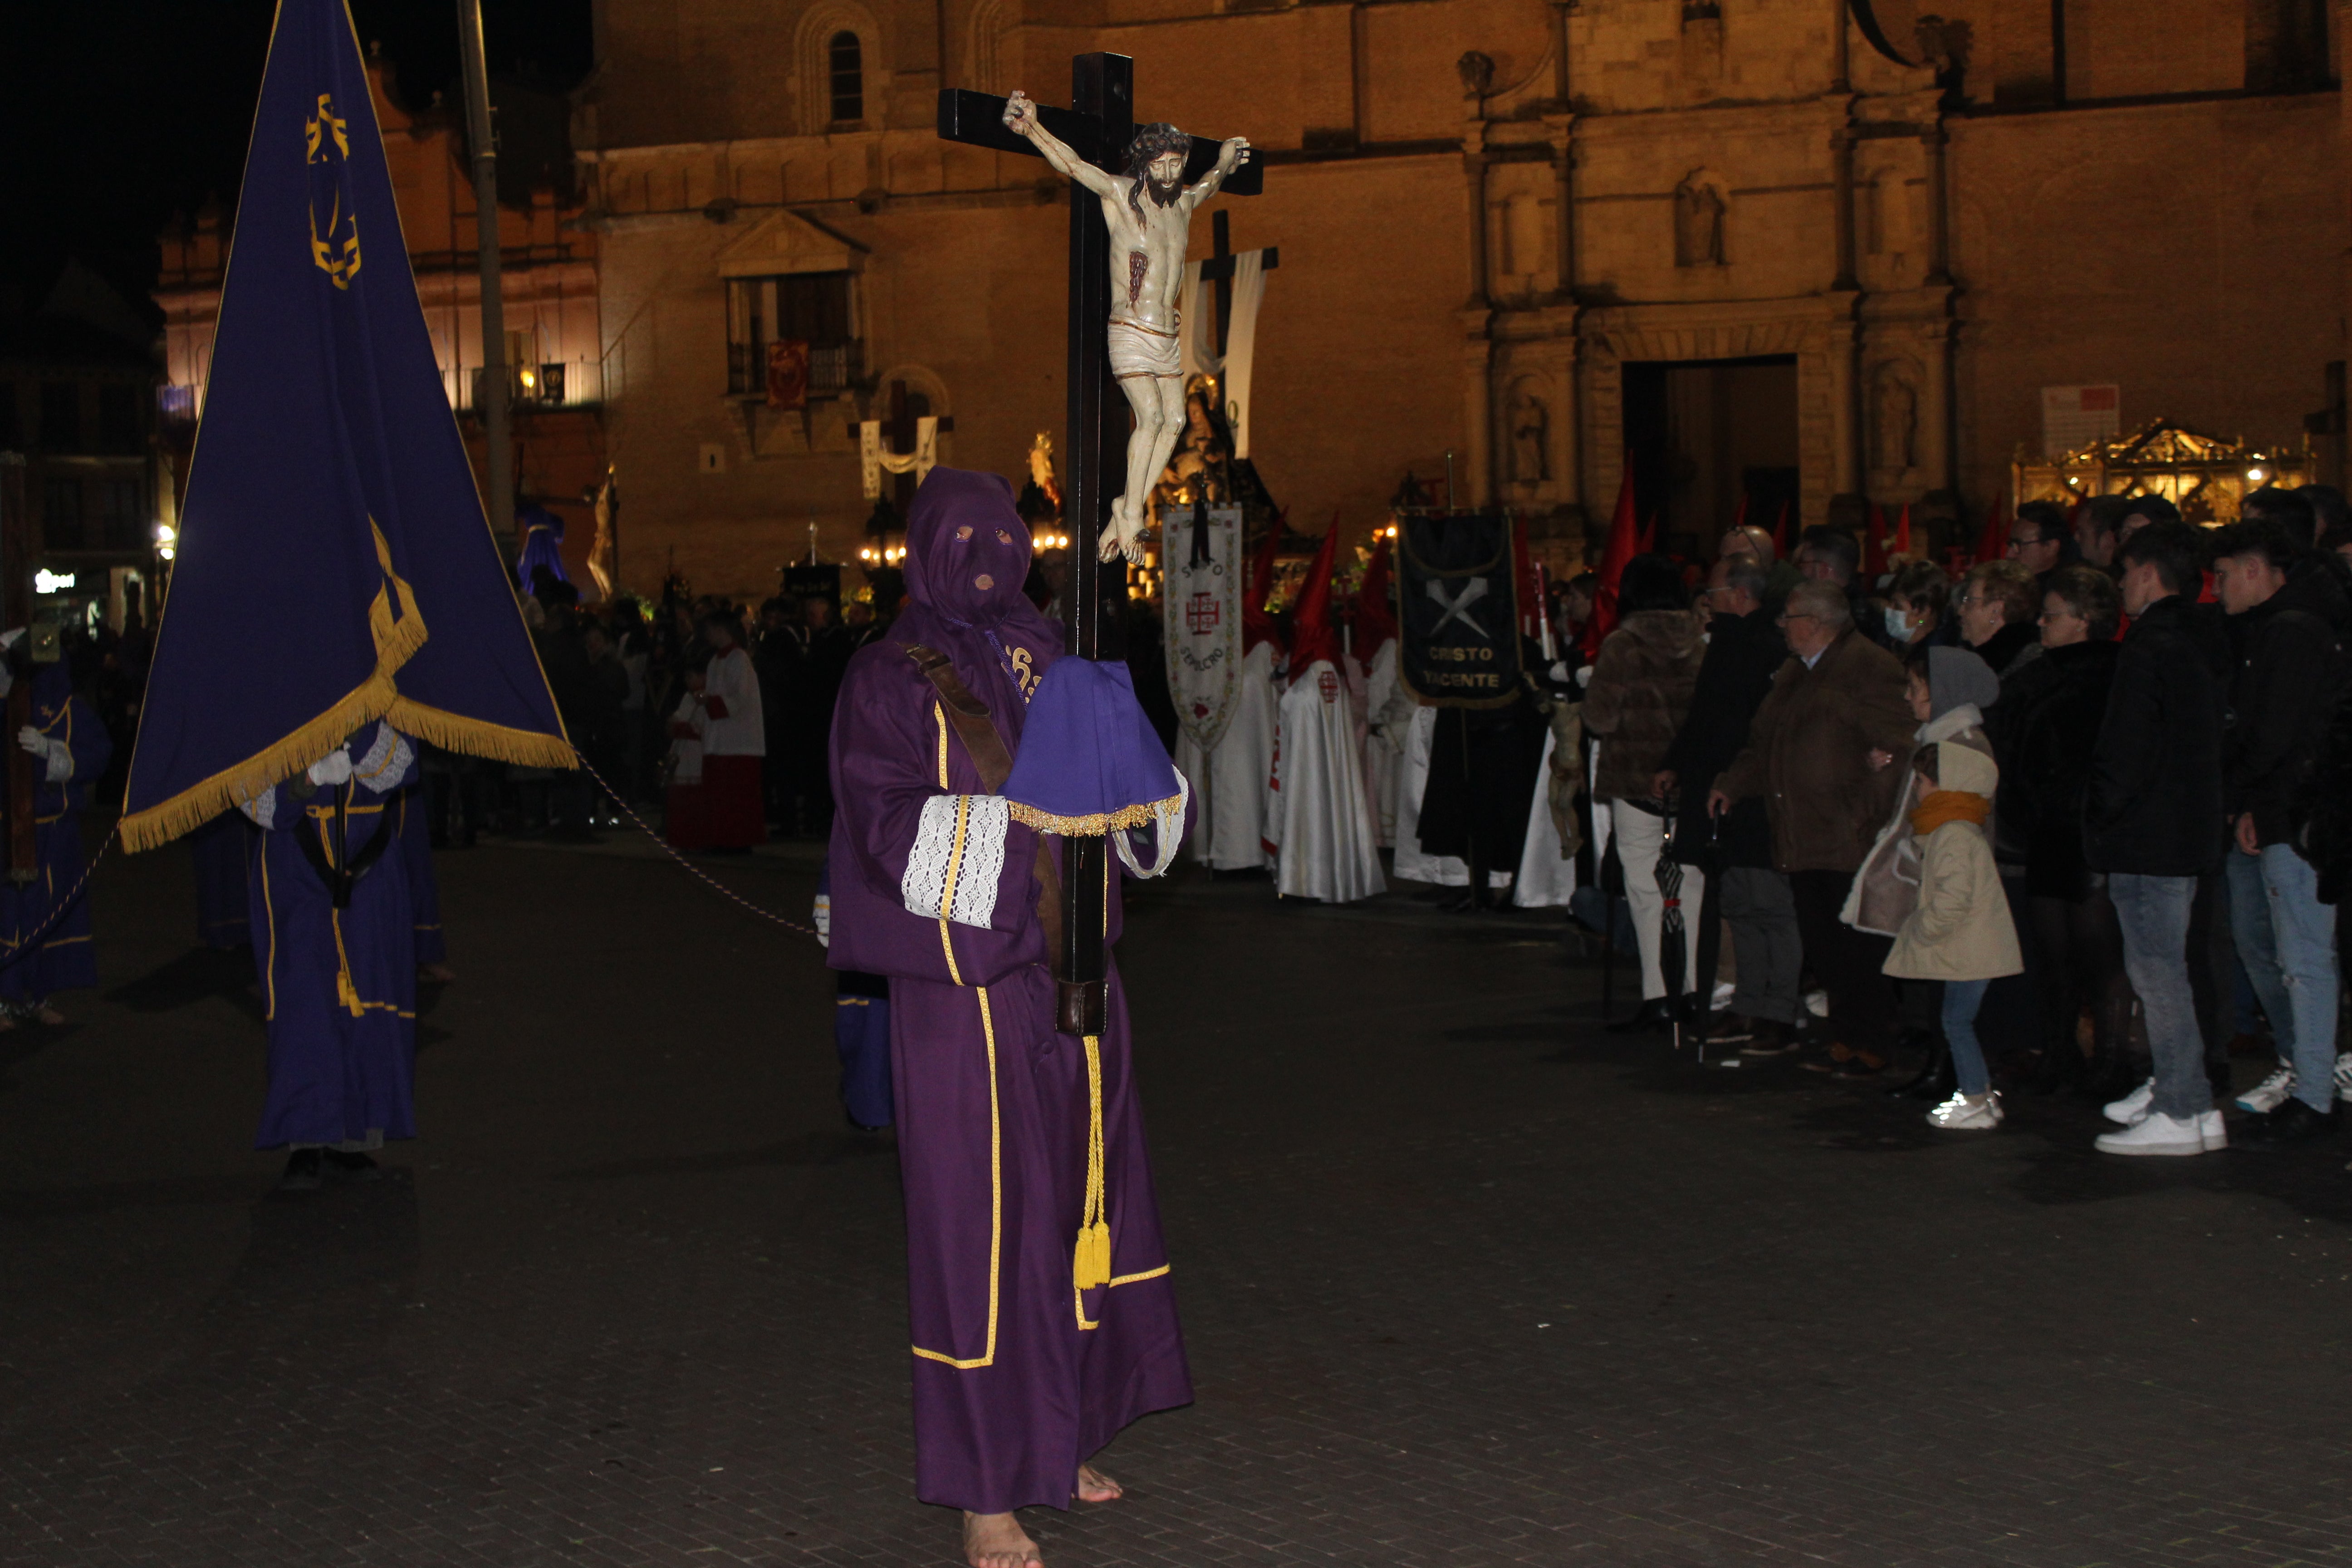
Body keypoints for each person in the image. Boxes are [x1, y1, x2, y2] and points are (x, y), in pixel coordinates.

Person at [827, 467, 1189, 1568]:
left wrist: (1120, 763)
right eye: (962, 537)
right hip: (966, 995)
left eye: (1004, 534)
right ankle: (988, 1487)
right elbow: (886, 822)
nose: (987, 554)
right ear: (926, 547)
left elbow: (1143, 802)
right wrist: (1030, 827)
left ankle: (1060, 1435)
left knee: (1081, 1208)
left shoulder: (1060, 655)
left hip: (1076, 983)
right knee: (978, 1235)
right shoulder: (887, 678)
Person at [1710, 581, 1917, 1074]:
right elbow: (1766, 745)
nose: (1783, 626)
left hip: (1847, 833)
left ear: (1819, 623)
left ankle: (1872, 1043)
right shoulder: (1794, 673)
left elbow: (1898, 746)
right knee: (1826, 946)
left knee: (1857, 949)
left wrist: (1868, 811)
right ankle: (1846, 1038)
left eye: (1791, 618)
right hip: (1804, 833)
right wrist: (1733, 785)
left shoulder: (1867, 668)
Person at [2089, 521, 2232, 1156]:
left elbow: (2126, 747)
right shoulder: (2204, 637)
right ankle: (2190, 1096)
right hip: (2186, 828)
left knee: (2157, 971)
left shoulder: (2151, 645)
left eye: (2125, 574)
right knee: (2166, 967)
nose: (2121, 586)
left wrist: (2100, 813)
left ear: (2148, 574)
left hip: (2150, 833)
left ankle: (2180, 1105)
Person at [2210, 518, 2348, 1145]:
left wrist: (2253, 802)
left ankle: (2315, 1092)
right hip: (2296, 817)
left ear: (2255, 569)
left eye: (2224, 574)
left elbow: (2274, 737)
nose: (2218, 588)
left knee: (2305, 960)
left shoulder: (2289, 633)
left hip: (2299, 822)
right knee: (2301, 959)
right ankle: (2312, 1084)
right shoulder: (2295, 626)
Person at [241, 721, 420, 1189]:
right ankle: (306, 1138)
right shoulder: (268, 704)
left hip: (370, 869)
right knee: (305, 1006)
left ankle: (355, 1138)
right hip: (295, 873)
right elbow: (254, 800)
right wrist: (310, 779)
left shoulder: (381, 697)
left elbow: (401, 769)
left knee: (369, 1003)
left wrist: (355, 729)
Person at [1993, 567, 2129, 1093]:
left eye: (2054, 616)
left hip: (2090, 830)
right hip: (2047, 828)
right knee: (2052, 953)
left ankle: (2112, 1060)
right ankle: (2060, 1051)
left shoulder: (2115, 674)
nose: (2043, 625)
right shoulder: (2037, 676)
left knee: (2099, 954)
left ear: (2086, 620)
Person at [1656, 554, 1797, 1052]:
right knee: (1737, 906)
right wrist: (1676, 763)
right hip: (1716, 796)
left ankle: (1778, 1010)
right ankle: (1748, 1005)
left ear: (1740, 595)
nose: (1708, 602)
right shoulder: (1725, 646)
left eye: (1714, 593)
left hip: (1752, 799)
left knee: (1769, 907)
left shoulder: (1767, 648)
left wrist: (1734, 781)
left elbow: (1759, 734)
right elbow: (1704, 715)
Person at [1844, 644, 1998, 1096]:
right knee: (1938, 985)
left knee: (1951, 993)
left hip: (1950, 882)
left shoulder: (1960, 745)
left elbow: (1949, 819)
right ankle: (1944, 1068)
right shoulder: (1937, 739)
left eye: (1916, 688)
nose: (1908, 698)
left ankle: (1958, 1081)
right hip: (1935, 874)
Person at [1583, 554, 1707, 1028]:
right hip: (1690, 782)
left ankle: (1659, 994)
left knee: (1644, 889)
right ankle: (1696, 990)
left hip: (1636, 781)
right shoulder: (1701, 644)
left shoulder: (1622, 645)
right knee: (1692, 887)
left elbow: (1600, 718)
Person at [1885, 740, 2024, 1129]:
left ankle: (1975, 1100)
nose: (1916, 788)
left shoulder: (1954, 834)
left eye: (1923, 780)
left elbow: (1952, 899)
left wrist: (1922, 929)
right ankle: (1980, 1095)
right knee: (1958, 1022)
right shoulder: (1956, 829)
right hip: (1970, 948)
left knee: (1956, 1023)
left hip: (1968, 950)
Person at [0, 641, 113, 1026]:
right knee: (12, 913)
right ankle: (4, 998)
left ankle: (39, 997)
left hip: (58, 830)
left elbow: (98, 754)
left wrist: (53, 751)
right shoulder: (9, 704)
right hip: (13, 831)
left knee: (50, 913)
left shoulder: (71, 710)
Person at [667, 611, 767, 853]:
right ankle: (721, 839)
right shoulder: (715, 661)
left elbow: (740, 699)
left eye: (710, 630)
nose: (708, 635)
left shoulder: (739, 660)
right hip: (719, 737)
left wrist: (710, 701)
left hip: (738, 739)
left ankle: (739, 842)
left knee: (736, 796)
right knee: (721, 795)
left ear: (721, 630)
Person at [1794, 524, 1882, 646]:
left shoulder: (1843, 625)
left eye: (1803, 563)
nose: (1799, 571)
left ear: (1822, 571)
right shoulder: (1863, 614)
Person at [1955, 559, 2042, 677]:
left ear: (1996, 611)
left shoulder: (2025, 668)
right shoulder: (1966, 658)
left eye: (1970, 601)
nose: (1961, 611)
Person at [2004, 500, 2077, 592]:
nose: (2009, 554)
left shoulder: (2063, 594)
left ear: (2051, 548)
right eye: (2010, 545)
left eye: (2018, 545)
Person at [1884, 559, 1955, 649]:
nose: (1889, 608)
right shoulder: (1884, 639)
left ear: (1924, 612)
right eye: (1890, 602)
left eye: (1898, 606)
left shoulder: (1937, 655)